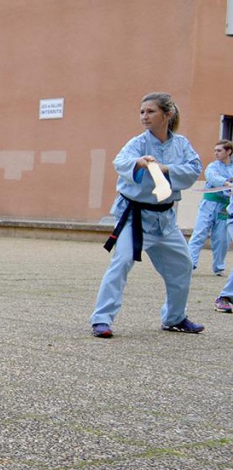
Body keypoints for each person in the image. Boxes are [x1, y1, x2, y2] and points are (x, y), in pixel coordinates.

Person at [90, 92, 202, 338]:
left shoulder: (181, 144)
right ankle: (101, 319)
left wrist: (165, 168)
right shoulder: (138, 143)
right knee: (122, 262)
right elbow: (120, 162)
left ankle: (174, 317)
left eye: (150, 111)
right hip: (136, 218)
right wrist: (139, 163)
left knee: (183, 265)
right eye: (142, 112)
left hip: (166, 220)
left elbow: (194, 169)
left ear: (167, 114)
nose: (144, 116)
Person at [186, 139, 233, 275]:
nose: (216, 153)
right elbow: (212, 177)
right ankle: (190, 264)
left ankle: (219, 267)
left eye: (219, 150)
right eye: (215, 151)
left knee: (222, 238)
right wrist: (226, 183)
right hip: (209, 204)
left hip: (225, 206)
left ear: (229, 151)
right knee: (199, 233)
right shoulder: (212, 167)